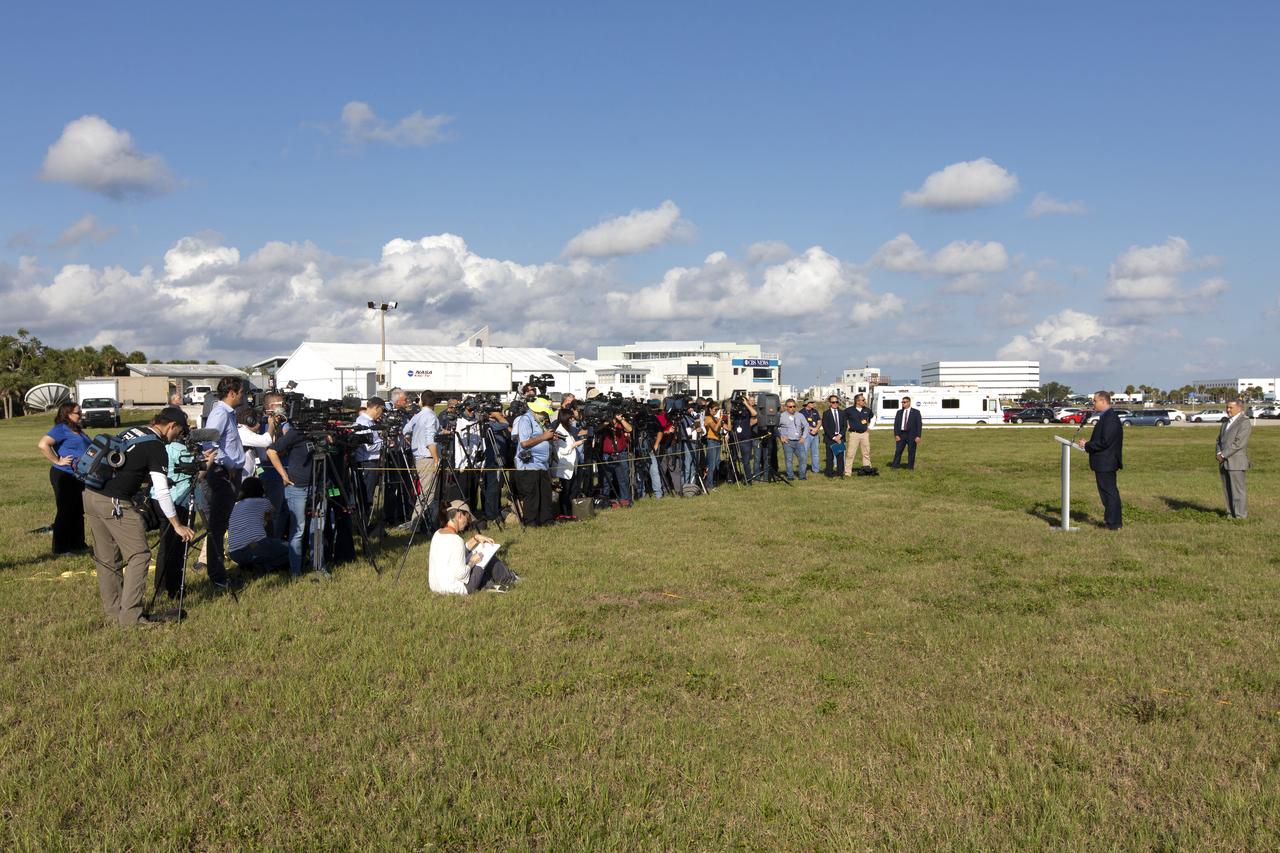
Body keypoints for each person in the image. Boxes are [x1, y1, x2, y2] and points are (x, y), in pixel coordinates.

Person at [83, 407, 197, 626]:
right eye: (179, 431)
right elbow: (162, 491)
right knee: (140, 555)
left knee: (108, 558)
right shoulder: (156, 446)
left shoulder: (133, 431)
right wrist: (177, 524)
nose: (179, 437)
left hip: (91, 495)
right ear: (171, 426)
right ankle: (132, 617)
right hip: (115, 502)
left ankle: (115, 610)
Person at [200, 377, 248, 590]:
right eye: (242, 392)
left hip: (229, 473)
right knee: (217, 528)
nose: (244, 396)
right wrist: (228, 464)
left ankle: (218, 572)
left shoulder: (228, 413)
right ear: (232, 393)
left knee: (220, 526)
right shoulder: (220, 413)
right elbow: (208, 444)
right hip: (222, 475)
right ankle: (217, 576)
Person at [266, 419, 326, 578]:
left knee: (318, 528)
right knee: (298, 530)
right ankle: (295, 571)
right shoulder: (297, 433)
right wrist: (283, 475)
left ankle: (319, 566)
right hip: (297, 487)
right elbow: (271, 450)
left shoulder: (324, 433)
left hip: (319, 485)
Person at [151, 425, 203, 598]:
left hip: (161, 501)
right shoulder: (182, 450)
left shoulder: (165, 447)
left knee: (165, 547)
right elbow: (197, 473)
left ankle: (160, 588)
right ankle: (174, 589)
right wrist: (206, 463)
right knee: (179, 548)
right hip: (180, 501)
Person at [428, 501, 519, 595]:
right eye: (467, 517)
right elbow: (462, 575)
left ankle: (488, 585)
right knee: (484, 554)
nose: (467, 522)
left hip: (436, 586)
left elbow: (456, 553)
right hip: (458, 589)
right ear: (459, 515)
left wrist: (475, 538)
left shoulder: (438, 533)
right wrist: (472, 562)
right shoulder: (456, 540)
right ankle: (510, 578)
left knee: (478, 555)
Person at [37, 401, 91, 555]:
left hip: (78, 476)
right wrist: (57, 460)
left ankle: (78, 545)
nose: (81, 415)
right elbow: (43, 444)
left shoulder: (77, 430)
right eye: (78, 413)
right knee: (65, 510)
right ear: (67, 414)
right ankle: (60, 549)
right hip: (64, 474)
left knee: (78, 510)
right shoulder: (61, 429)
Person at [1076, 390, 1124, 530]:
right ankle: (1112, 522)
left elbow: (1105, 442)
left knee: (1109, 493)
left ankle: (1114, 524)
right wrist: (1089, 444)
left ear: (1103, 401)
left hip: (1106, 462)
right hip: (1104, 462)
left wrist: (1087, 445)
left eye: (1095, 401)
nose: (1093, 403)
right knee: (1107, 493)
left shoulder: (1110, 418)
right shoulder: (1106, 417)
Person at [226, 477, 290, 572]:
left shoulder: (236, 505)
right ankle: (265, 567)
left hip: (234, 553)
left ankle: (250, 565)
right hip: (255, 546)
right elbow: (273, 514)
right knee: (291, 549)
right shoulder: (264, 502)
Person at [512, 397, 557, 525]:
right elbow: (524, 442)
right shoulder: (525, 420)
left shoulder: (539, 422)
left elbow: (539, 439)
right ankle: (531, 522)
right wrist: (544, 436)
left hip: (542, 465)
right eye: (544, 413)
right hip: (529, 465)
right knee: (532, 496)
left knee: (545, 494)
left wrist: (549, 438)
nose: (545, 416)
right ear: (537, 411)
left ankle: (546, 520)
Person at [401, 391, 441, 533]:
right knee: (427, 494)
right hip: (428, 458)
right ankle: (416, 525)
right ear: (434, 403)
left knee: (426, 492)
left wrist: (412, 441)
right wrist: (436, 459)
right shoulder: (431, 416)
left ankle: (422, 523)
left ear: (421, 401)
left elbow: (405, 430)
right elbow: (430, 440)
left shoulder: (417, 416)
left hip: (419, 457)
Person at [1216, 398, 1252, 519]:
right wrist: (1218, 453)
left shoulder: (1244, 422)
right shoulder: (1226, 422)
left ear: (1239, 408)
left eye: (1230, 407)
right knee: (1227, 490)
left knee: (1238, 491)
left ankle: (1240, 516)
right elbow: (1219, 440)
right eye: (1227, 407)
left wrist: (1223, 455)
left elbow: (1238, 443)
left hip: (1236, 462)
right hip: (1223, 462)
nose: (1228, 410)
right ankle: (1230, 513)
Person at [351, 396, 385, 523]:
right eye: (381, 410)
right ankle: (364, 523)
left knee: (369, 494)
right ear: (376, 408)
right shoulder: (364, 423)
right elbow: (369, 447)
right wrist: (384, 441)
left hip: (371, 462)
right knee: (366, 496)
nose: (381, 413)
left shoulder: (369, 422)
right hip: (367, 462)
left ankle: (367, 522)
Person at [552, 408, 587, 519]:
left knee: (572, 490)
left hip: (571, 467)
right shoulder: (560, 432)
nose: (572, 420)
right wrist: (575, 444)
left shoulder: (567, 431)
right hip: (565, 467)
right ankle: (564, 513)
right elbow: (562, 451)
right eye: (570, 418)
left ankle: (570, 511)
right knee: (565, 491)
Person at [599, 412, 634, 506]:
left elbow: (629, 429)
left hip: (620, 454)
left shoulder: (620, 425)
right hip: (607, 454)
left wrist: (621, 420)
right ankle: (605, 500)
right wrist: (607, 423)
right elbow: (597, 429)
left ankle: (625, 499)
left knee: (623, 478)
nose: (613, 420)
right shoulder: (604, 425)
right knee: (606, 479)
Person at [777, 399, 808, 481]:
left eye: (794, 406)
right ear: (786, 407)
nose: (792, 408)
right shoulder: (781, 416)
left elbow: (806, 426)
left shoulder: (800, 415)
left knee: (803, 458)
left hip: (799, 441)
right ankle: (790, 476)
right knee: (789, 459)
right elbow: (775, 427)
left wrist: (803, 437)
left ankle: (802, 476)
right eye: (790, 407)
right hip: (788, 442)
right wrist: (781, 437)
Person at [844, 393, 873, 474]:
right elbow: (843, 419)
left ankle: (867, 470)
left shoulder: (867, 410)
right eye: (863, 400)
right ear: (857, 401)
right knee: (850, 454)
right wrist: (847, 426)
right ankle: (847, 472)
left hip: (864, 434)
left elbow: (873, 417)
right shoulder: (848, 410)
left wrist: (870, 427)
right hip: (854, 434)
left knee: (866, 453)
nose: (865, 401)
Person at [890, 396, 922, 470]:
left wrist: (918, 436)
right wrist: (896, 434)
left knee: (911, 451)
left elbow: (919, 425)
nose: (903, 403)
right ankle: (895, 466)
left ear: (909, 402)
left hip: (912, 435)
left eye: (904, 402)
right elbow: (896, 424)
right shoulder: (899, 412)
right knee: (898, 451)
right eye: (902, 402)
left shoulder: (916, 412)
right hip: (901, 434)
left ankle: (910, 467)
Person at [821, 395, 846, 478]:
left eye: (836, 402)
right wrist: (834, 437)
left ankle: (840, 473)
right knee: (830, 457)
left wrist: (840, 435)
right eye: (833, 402)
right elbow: (825, 427)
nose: (835, 403)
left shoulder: (842, 413)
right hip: (830, 438)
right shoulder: (826, 413)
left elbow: (844, 426)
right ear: (830, 403)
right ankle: (829, 473)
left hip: (840, 437)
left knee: (840, 457)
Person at [704, 402, 727, 487]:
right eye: (715, 410)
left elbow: (729, 428)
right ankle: (709, 485)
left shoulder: (715, 418)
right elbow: (715, 428)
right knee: (711, 464)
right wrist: (720, 418)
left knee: (716, 463)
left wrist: (727, 417)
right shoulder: (708, 418)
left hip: (718, 441)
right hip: (711, 441)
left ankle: (713, 482)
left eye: (718, 410)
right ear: (710, 409)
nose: (716, 411)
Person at [801, 400, 822, 474]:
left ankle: (816, 470)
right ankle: (803, 470)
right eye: (811, 403)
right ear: (807, 404)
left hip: (815, 435)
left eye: (813, 402)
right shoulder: (801, 412)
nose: (813, 404)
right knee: (805, 452)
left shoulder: (815, 411)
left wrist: (816, 428)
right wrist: (812, 429)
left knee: (815, 453)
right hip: (806, 435)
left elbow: (819, 421)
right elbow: (803, 424)